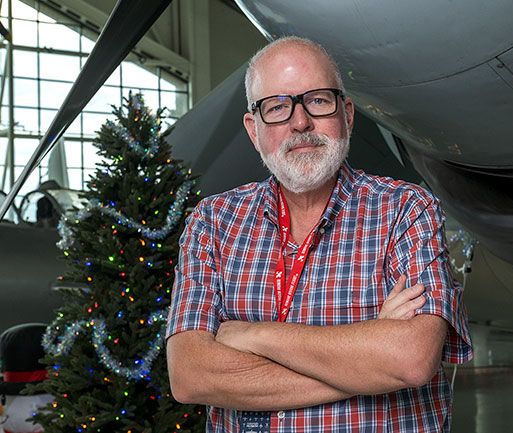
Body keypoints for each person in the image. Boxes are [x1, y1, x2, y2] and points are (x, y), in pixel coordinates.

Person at [166, 36, 472, 433]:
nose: (300, 122)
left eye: (318, 101)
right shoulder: (212, 222)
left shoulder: (405, 210)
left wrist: (252, 335)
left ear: (347, 113)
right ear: (253, 129)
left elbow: (409, 361)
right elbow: (191, 377)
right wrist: (366, 362)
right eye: (276, 107)